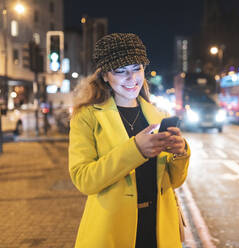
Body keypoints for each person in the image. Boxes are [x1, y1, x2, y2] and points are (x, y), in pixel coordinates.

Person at [68, 33, 190, 248]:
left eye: (136, 68)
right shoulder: (87, 117)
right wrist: (136, 150)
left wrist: (181, 153)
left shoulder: (157, 116)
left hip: (158, 228)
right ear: (105, 76)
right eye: (120, 71)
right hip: (112, 231)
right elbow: (84, 179)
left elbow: (173, 182)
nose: (131, 78)